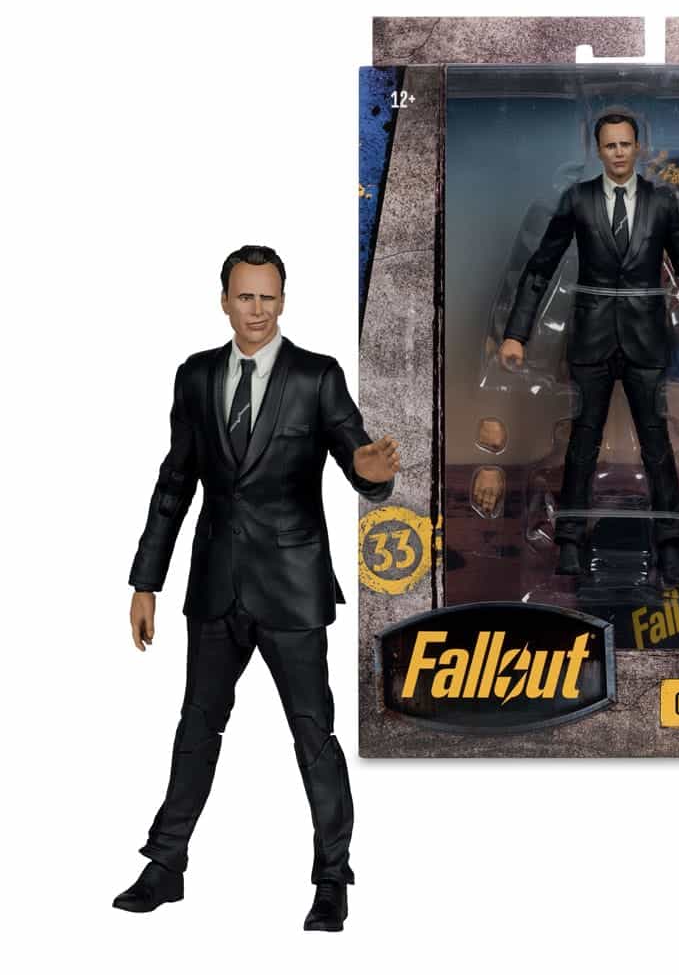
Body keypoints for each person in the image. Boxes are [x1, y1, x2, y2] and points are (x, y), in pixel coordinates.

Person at [113, 245, 399, 932]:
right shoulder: (195, 376)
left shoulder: (316, 376)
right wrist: (146, 581)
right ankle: (166, 865)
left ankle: (332, 878)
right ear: (224, 301)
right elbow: (175, 482)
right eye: (246, 296)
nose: (257, 310)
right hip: (216, 583)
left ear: (283, 301)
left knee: (313, 734)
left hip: (293, 587)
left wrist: (372, 474)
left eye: (269, 297)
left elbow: (360, 460)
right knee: (197, 726)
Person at [500, 112, 679, 582]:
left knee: (657, 444)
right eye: (610, 146)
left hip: (647, 339)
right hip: (592, 337)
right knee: (582, 443)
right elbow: (540, 267)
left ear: (637, 147)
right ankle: (569, 540)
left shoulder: (661, 202)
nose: (619, 153)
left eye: (625, 144)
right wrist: (516, 334)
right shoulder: (578, 199)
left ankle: (670, 543)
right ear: (598, 150)